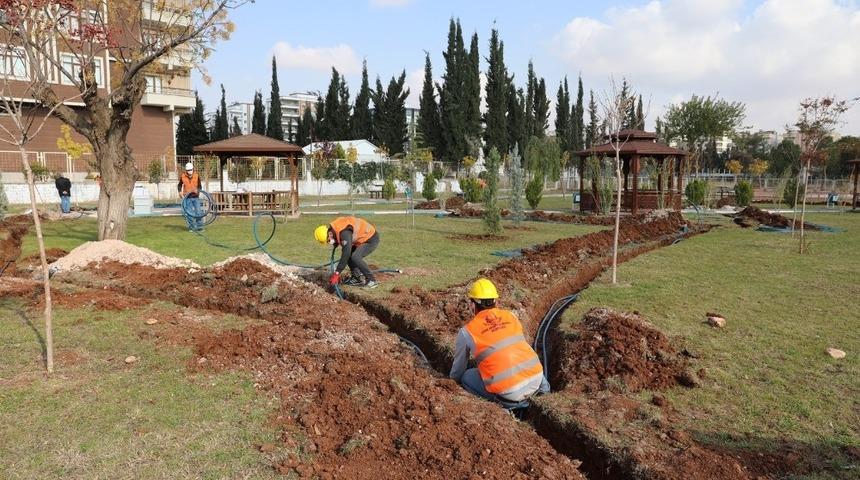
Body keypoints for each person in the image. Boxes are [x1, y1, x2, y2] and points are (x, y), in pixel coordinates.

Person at [449, 278, 549, 407]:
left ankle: (502, 408)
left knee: (466, 377)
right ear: (496, 301)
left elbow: (458, 369)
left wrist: (452, 383)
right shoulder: (511, 316)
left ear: (472, 305)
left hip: (509, 394)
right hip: (537, 379)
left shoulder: (467, 331)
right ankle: (545, 392)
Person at [314, 216, 380, 289]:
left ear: (330, 234)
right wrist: (336, 241)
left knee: (355, 257)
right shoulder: (335, 229)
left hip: (370, 239)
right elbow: (346, 249)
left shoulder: (344, 233)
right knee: (349, 256)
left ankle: (372, 280)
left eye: (328, 241)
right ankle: (357, 278)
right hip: (362, 239)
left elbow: (346, 253)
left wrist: (337, 273)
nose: (330, 243)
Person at [177, 162, 202, 232]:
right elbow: (179, 185)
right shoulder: (183, 176)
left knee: (198, 212)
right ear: (186, 170)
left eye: (191, 170)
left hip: (195, 197)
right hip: (187, 198)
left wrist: (198, 190)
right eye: (188, 170)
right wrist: (179, 192)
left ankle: (199, 227)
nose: (190, 171)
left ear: (193, 169)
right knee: (189, 213)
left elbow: (200, 186)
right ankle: (191, 227)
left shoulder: (197, 175)